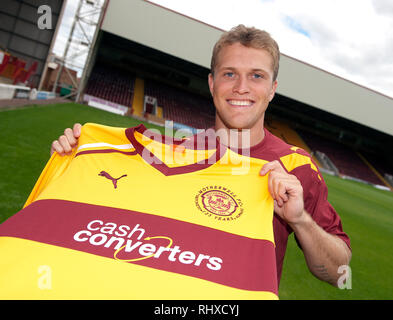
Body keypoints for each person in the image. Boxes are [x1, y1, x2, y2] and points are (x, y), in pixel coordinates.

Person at [50, 25, 351, 288]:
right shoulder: (169, 154)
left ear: (272, 89)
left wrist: (300, 220)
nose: (241, 88)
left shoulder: (297, 168)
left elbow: (339, 274)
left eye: (256, 76)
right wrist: (74, 165)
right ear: (211, 83)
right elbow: (101, 226)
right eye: (229, 74)